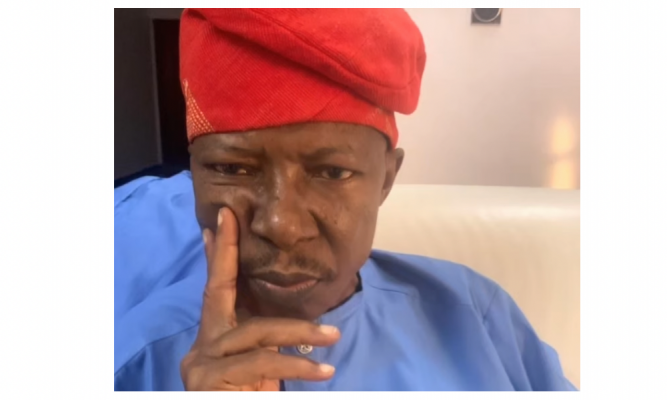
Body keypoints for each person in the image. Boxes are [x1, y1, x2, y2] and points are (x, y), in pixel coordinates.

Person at [114, 8, 576, 391]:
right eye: (233, 169)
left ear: (386, 180)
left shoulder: (474, 315)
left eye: (332, 172)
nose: (281, 225)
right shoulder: (134, 362)